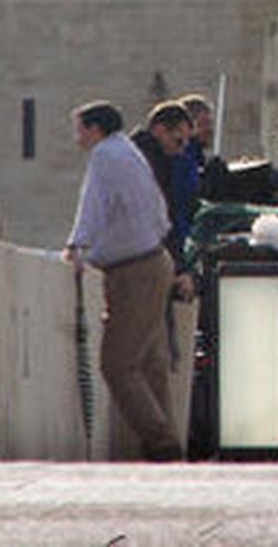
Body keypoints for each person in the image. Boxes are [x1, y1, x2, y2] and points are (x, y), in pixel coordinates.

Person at [62, 100, 182, 460]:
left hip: (134, 271)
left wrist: (77, 244)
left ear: (95, 129)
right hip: (155, 260)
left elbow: (94, 205)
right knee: (151, 364)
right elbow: (159, 213)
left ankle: (161, 443)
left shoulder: (105, 156)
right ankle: (168, 443)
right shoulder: (128, 153)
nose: (76, 137)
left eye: (79, 129)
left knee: (117, 364)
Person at [130, 101, 200, 302]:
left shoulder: (141, 157)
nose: (181, 150)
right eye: (178, 141)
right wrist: (180, 269)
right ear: (160, 131)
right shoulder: (150, 164)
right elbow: (163, 218)